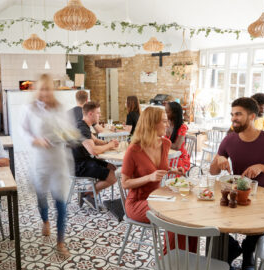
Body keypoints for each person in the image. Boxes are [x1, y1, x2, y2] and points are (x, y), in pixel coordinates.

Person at [210, 97, 264, 270]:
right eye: (232, 114)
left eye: (238, 114)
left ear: (252, 116)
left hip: (261, 198)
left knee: (258, 227)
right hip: (233, 193)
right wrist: (219, 158)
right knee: (212, 223)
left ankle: (248, 252)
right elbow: (213, 172)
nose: (233, 118)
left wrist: (262, 167)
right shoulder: (229, 140)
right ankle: (230, 248)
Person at [121, 107, 195, 252]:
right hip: (137, 202)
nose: (168, 125)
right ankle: (169, 260)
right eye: (164, 121)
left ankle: (189, 259)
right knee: (173, 214)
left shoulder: (165, 144)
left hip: (158, 197)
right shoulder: (134, 150)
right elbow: (125, 183)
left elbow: (158, 167)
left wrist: (173, 170)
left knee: (187, 211)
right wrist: (149, 177)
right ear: (151, 124)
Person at [22, 74, 77, 256]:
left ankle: (61, 242)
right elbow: (24, 132)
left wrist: (68, 135)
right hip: (40, 159)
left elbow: (69, 130)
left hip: (58, 159)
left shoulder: (60, 108)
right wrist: (36, 140)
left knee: (61, 202)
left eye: (48, 88)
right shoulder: (30, 109)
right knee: (42, 196)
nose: (45, 92)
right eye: (42, 88)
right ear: (38, 90)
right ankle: (45, 220)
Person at [72, 101, 118, 207]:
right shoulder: (82, 129)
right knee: (114, 176)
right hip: (78, 165)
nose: (100, 115)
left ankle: (90, 194)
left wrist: (109, 143)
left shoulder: (83, 125)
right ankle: (88, 193)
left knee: (113, 168)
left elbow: (96, 140)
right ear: (90, 114)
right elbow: (93, 151)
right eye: (98, 113)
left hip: (84, 160)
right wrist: (110, 146)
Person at [165, 101, 190, 171]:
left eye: (167, 112)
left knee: (160, 166)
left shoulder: (182, 127)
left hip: (179, 158)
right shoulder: (167, 125)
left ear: (174, 114)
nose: (164, 114)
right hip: (169, 155)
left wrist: (162, 143)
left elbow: (177, 146)